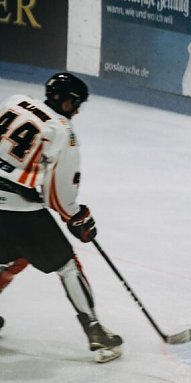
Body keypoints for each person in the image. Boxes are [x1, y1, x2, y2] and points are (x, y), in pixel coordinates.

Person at [0, 72, 123, 363]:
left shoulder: (14, 103)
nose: (78, 110)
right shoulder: (61, 131)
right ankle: (95, 331)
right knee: (67, 266)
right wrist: (78, 218)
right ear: (66, 102)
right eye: (76, 103)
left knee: (9, 257)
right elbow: (59, 195)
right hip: (19, 211)